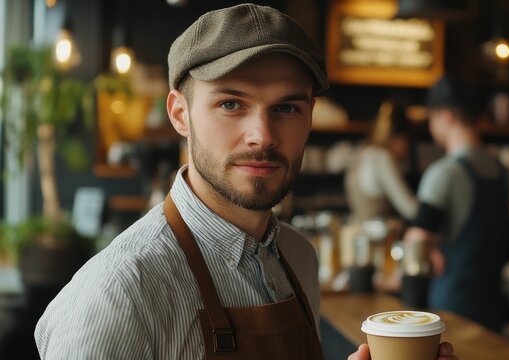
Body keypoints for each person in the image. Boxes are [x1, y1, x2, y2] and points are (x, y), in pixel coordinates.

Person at [34, 4, 458, 359]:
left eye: (287, 108)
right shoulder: (119, 293)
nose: (263, 135)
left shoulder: (298, 257)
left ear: (310, 116)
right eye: (231, 103)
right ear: (180, 113)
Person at [403, 75, 509, 333]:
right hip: (494, 308)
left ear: (447, 116)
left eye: (432, 119)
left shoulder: (444, 173)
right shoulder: (503, 171)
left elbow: (417, 239)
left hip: (452, 309)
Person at [345, 97, 419, 222]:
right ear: (399, 138)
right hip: (379, 237)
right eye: (408, 142)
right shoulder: (382, 158)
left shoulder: (363, 152)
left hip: (358, 234)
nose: (407, 150)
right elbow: (411, 209)